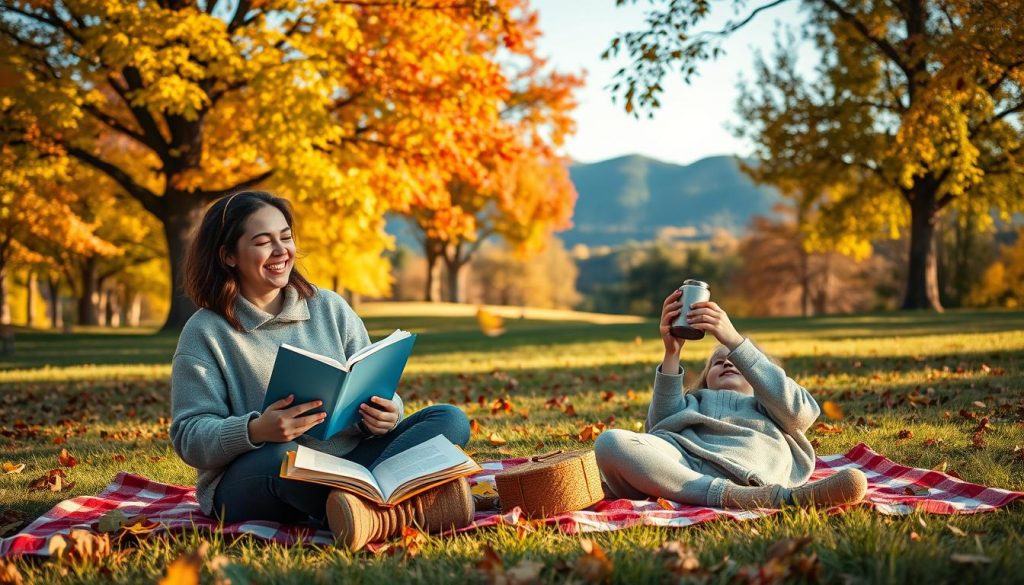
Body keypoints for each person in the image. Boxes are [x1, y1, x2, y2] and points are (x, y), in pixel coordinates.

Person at [170, 191, 472, 550]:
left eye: (285, 237)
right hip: (262, 474)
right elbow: (189, 436)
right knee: (284, 460)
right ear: (229, 255)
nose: (281, 250)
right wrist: (256, 429)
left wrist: (388, 412)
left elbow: (372, 380)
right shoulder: (206, 331)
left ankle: (360, 509)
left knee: (449, 419)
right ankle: (407, 506)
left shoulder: (329, 307)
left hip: (352, 463)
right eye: (264, 242)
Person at [594, 289, 867, 509]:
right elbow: (658, 430)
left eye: (735, 360)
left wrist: (735, 341)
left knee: (619, 464)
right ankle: (768, 499)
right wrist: (672, 352)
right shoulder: (695, 402)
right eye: (717, 362)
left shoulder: (769, 405)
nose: (726, 362)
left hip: (747, 470)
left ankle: (741, 495)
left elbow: (802, 414)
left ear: (757, 373)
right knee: (610, 442)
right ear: (705, 377)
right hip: (683, 467)